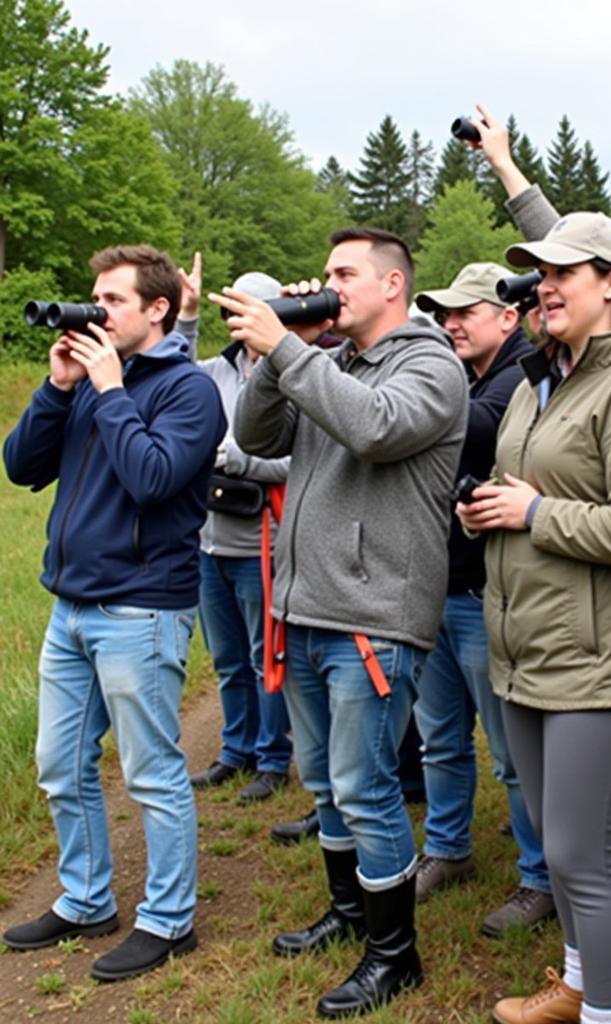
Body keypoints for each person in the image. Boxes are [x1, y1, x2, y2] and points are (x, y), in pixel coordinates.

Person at [457, 106, 611, 1024]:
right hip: (530, 650)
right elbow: (529, 487)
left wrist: (534, 511)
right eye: (537, 273)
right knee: (560, 856)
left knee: (586, 857)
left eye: (561, 273)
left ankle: (609, 1014)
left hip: (604, 660)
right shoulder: (543, 376)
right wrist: (495, 509)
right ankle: (578, 983)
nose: (543, 287)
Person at [214, 226, 467, 1018]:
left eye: (343, 273)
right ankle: (351, 913)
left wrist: (294, 356)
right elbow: (256, 437)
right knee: (324, 782)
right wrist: (280, 347)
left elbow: (376, 428)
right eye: (325, 272)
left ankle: (396, 955)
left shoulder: (430, 363)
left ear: (392, 285)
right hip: (307, 604)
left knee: (365, 787)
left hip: (374, 613)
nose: (329, 283)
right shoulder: (331, 362)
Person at [1, 245, 225, 981]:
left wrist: (110, 388)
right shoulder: (91, 384)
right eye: (92, 298)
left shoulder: (188, 390)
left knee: (153, 773)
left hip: (140, 609)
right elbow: (22, 466)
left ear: (158, 309)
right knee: (60, 766)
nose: (96, 312)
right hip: (70, 606)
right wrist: (60, 387)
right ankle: (86, 898)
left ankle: (168, 921)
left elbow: (154, 479)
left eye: (112, 302)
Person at [411, 262, 558, 935]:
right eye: (444, 314)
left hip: (486, 589)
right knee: (440, 738)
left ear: (508, 315)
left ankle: (541, 875)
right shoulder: (470, 374)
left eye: (465, 311)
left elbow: (478, 432)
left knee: (512, 750)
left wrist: (414, 378)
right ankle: (448, 848)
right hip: (437, 583)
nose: (450, 324)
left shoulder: (524, 374)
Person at [173, 257, 294, 804]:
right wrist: (187, 317)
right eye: (230, 309)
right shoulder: (213, 372)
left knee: (263, 656)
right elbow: (169, 377)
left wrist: (239, 460)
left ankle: (273, 757)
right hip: (209, 539)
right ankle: (235, 750)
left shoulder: (295, 371)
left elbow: (303, 463)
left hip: (262, 542)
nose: (237, 319)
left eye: (248, 308)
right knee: (226, 658)